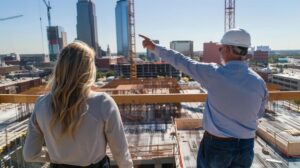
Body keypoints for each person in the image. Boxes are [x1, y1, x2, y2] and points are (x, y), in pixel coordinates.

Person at [140, 28, 268, 168]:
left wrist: (154, 47)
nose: (220, 52)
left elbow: (181, 61)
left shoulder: (213, 73)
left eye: (221, 48)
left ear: (229, 49)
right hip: (246, 146)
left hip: (218, 146)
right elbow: (259, 113)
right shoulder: (259, 82)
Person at [23, 41, 133, 168]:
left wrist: (54, 156)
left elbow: (29, 154)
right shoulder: (103, 103)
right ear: (89, 70)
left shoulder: (41, 104)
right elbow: (121, 155)